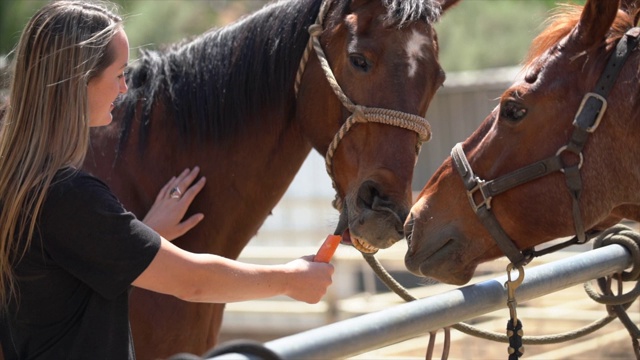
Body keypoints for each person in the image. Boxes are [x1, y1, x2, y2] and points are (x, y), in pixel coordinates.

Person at [0, 1, 334, 359]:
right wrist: (291, 278)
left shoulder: (21, 182)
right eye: (118, 74)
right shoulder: (71, 197)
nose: (125, 88)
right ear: (78, 82)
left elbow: (66, 293)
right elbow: (192, 282)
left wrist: (145, 232)